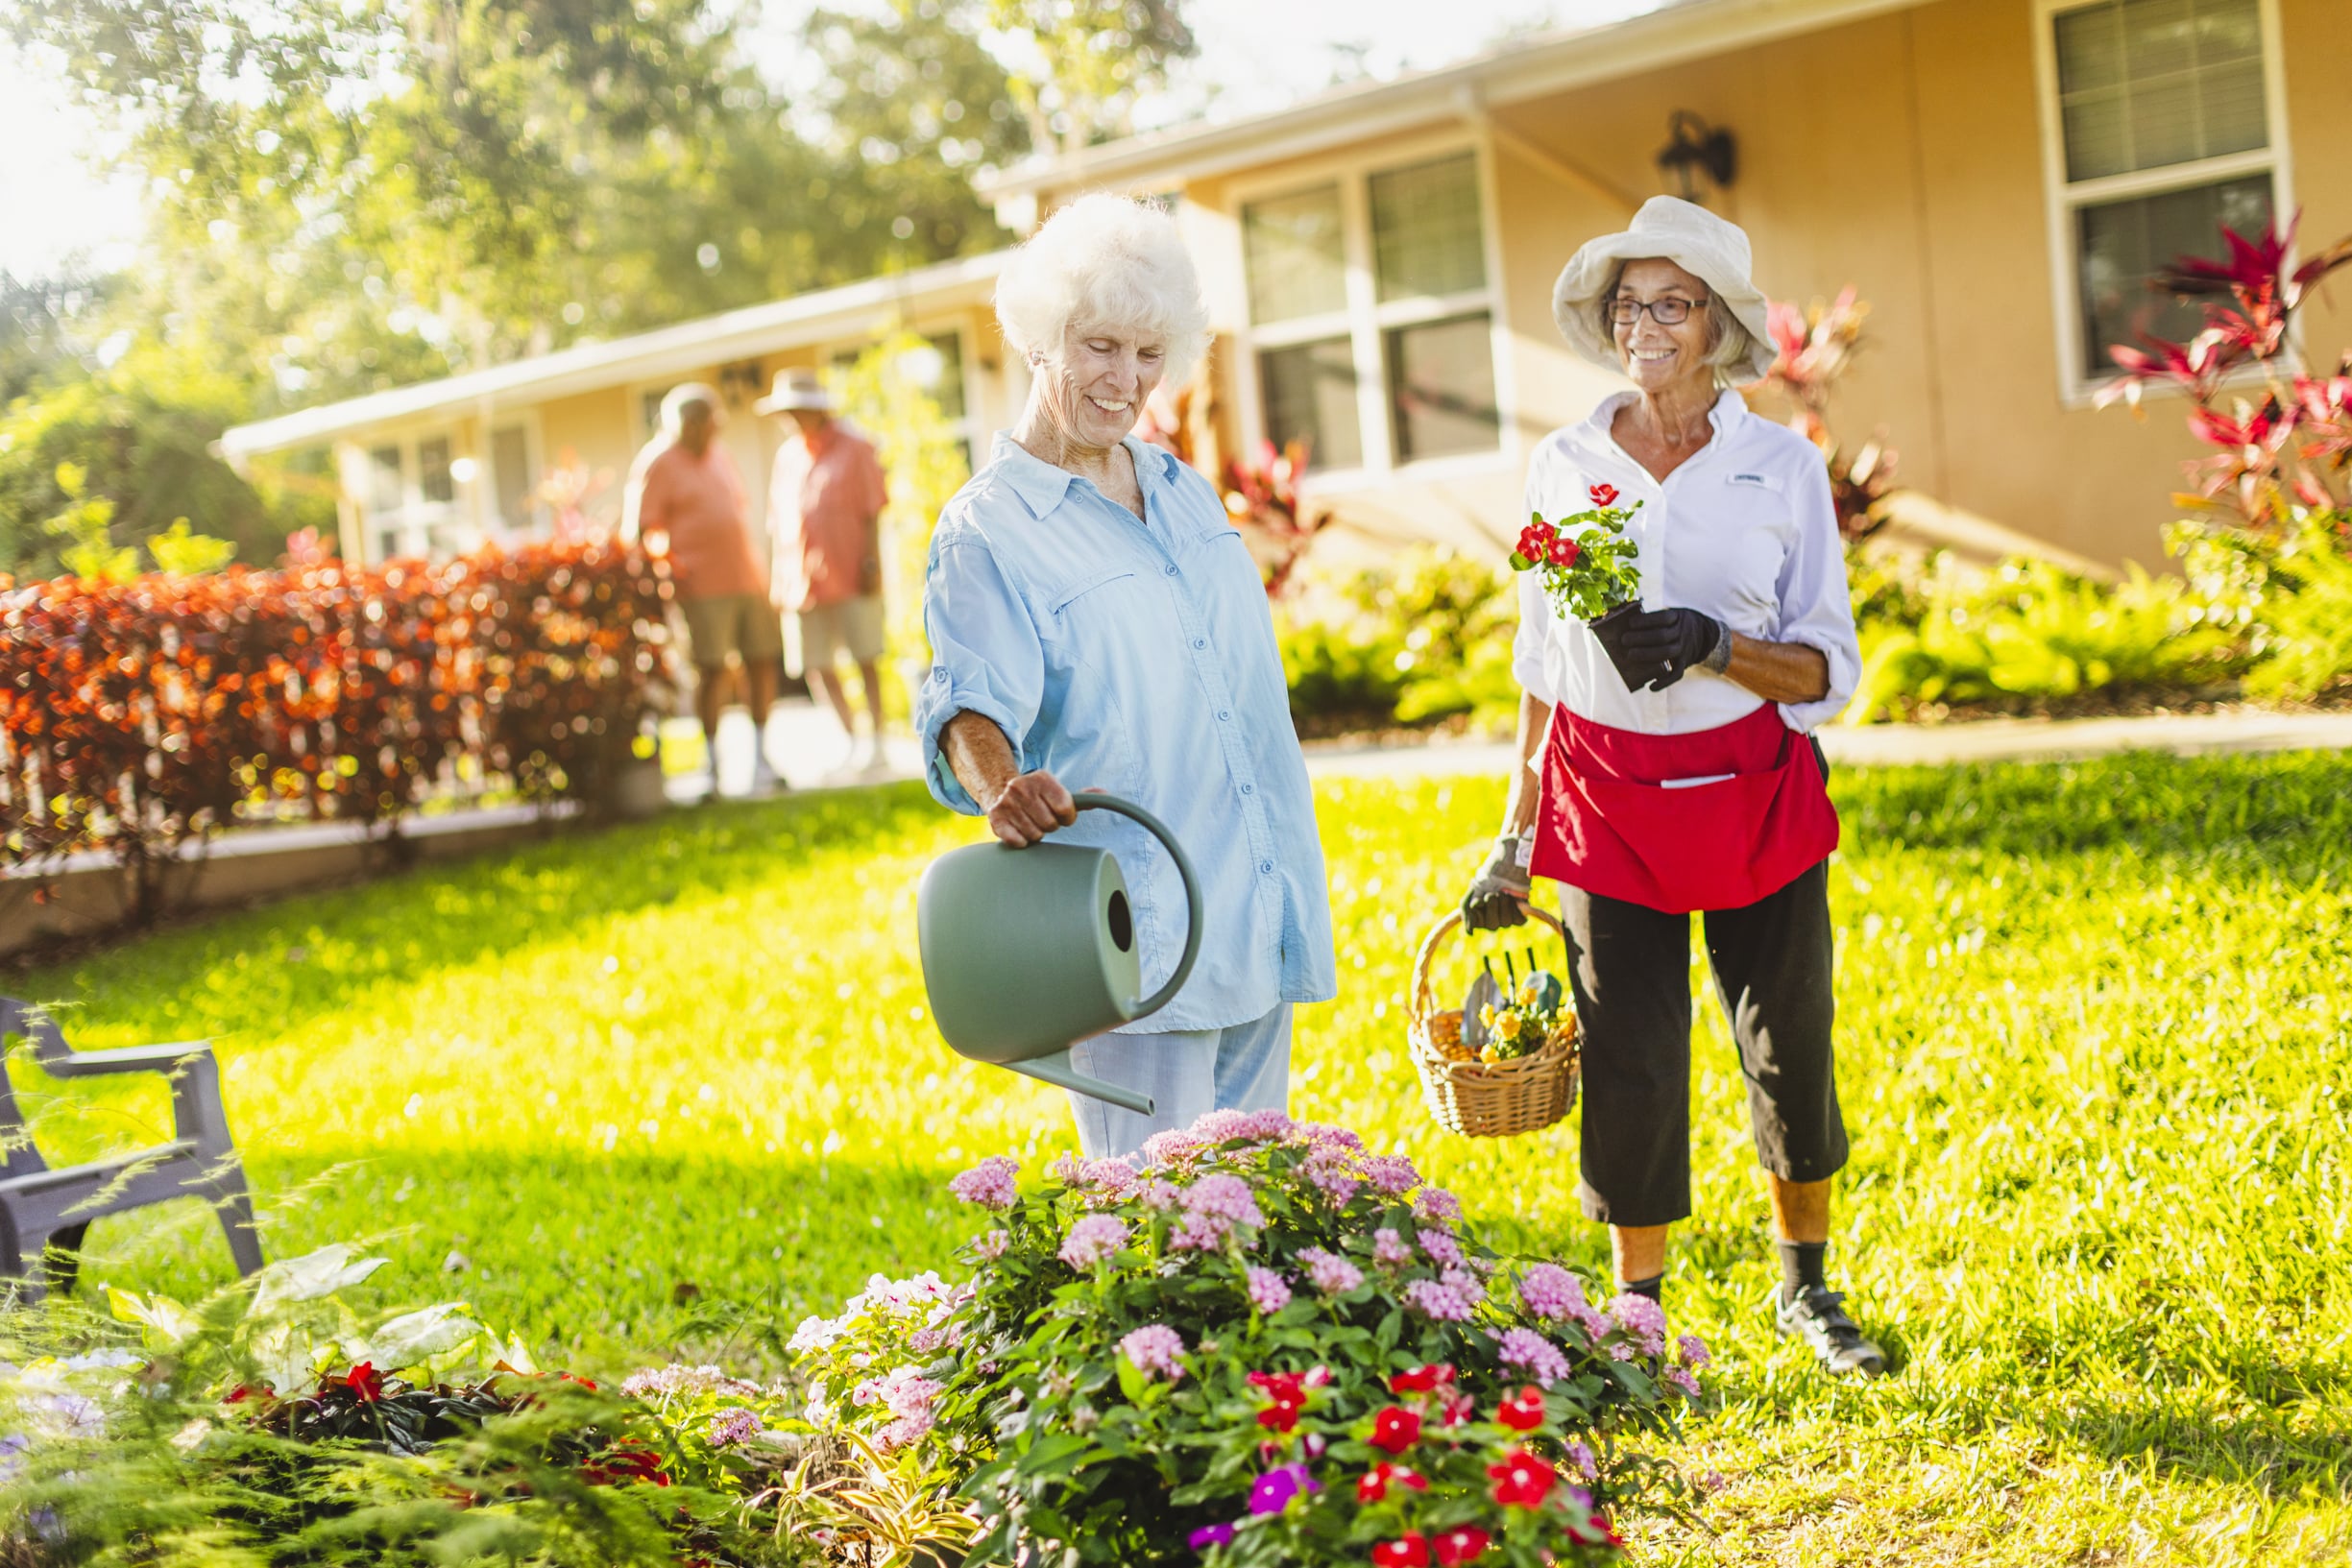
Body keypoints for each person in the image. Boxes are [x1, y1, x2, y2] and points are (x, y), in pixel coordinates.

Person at [1457, 196, 1882, 1375]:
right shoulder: (1564, 462)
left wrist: (1709, 643)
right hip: (1605, 801)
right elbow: (1540, 664)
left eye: (1674, 303)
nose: (1647, 324)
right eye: (1630, 302)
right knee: (1630, 1058)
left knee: (1786, 1043)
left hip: (1751, 788)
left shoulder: (1779, 465)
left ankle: (1808, 1292)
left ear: (1718, 325)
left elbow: (1827, 669)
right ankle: (1635, 1321)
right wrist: (1513, 834)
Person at [914, 194, 1336, 1160]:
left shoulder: (1182, 491)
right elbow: (967, 694)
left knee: (1251, 1215)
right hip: (1139, 930)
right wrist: (1001, 786)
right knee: (1156, 1230)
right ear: (1040, 338)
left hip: (1253, 903)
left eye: (1149, 354)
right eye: (1101, 346)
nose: (1127, 380)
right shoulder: (989, 530)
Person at [622, 383, 783, 795]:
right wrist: (653, 587)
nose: (720, 428)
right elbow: (639, 531)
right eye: (715, 421)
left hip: (746, 578)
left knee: (761, 662)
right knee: (712, 672)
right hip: (700, 587)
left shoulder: (718, 455)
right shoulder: (658, 462)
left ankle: (762, 761)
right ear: (691, 423)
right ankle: (713, 768)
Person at [757, 367, 891, 777]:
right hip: (800, 581)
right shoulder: (787, 456)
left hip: (851, 570)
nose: (790, 418)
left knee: (865, 657)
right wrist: (780, 579)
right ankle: (851, 742)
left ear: (816, 409)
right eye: (786, 411)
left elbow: (873, 511)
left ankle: (878, 744)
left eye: (797, 409)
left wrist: (872, 563)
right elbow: (778, 524)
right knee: (816, 664)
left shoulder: (856, 447)